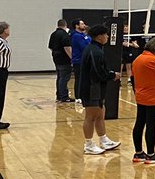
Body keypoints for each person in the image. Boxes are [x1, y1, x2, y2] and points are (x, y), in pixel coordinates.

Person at [80, 24, 121, 155]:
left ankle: (104, 140)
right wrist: (112, 75)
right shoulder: (94, 51)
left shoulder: (96, 49)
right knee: (91, 116)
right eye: (106, 35)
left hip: (96, 87)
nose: (107, 37)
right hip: (91, 88)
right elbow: (99, 72)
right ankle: (88, 144)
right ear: (99, 37)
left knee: (100, 113)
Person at [131, 37, 155, 164]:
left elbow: (132, 78)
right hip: (152, 97)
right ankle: (151, 154)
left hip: (140, 95)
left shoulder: (138, 59)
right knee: (151, 126)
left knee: (139, 124)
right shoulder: (154, 60)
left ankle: (138, 153)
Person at [48, 18, 74, 104]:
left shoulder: (53, 34)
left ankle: (59, 96)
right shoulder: (64, 35)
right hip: (64, 59)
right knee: (64, 78)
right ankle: (64, 96)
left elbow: (50, 47)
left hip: (56, 58)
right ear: (65, 25)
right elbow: (67, 48)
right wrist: (72, 58)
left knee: (59, 77)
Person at [70, 19, 90, 103]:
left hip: (84, 60)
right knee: (79, 79)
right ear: (77, 26)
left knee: (84, 79)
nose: (84, 25)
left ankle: (83, 95)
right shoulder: (76, 36)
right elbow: (85, 46)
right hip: (79, 61)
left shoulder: (82, 35)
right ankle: (78, 96)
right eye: (82, 24)